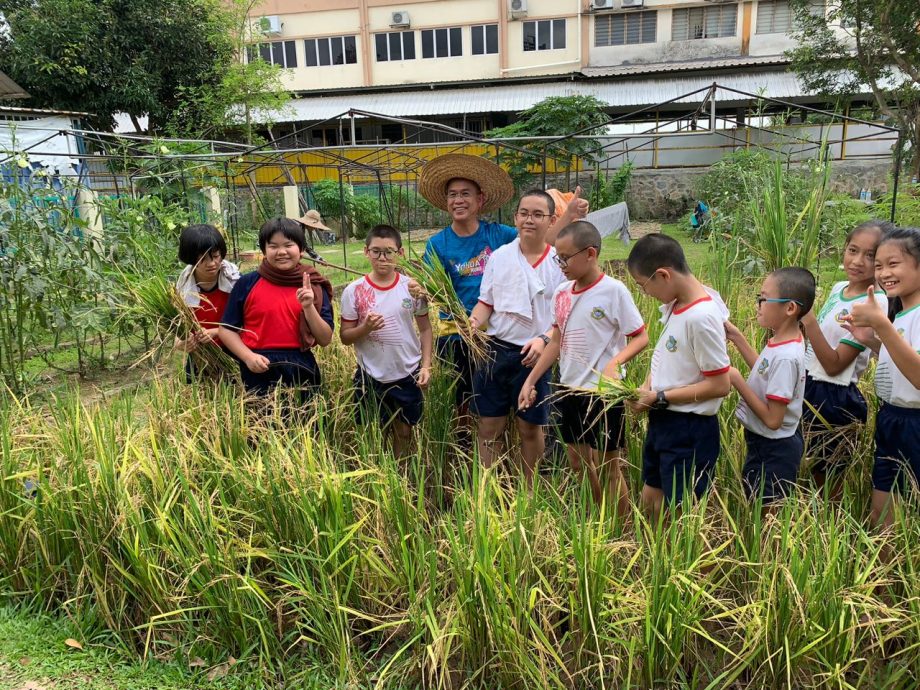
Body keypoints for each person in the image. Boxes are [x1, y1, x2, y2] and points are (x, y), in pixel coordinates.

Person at [417, 153, 588, 420]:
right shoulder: (438, 244)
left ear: (480, 199)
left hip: (497, 336)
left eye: (465, 194)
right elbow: (432, 289)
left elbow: (541, 239)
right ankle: (467, 449)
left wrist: (569, 215)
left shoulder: (499, 235)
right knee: (465, 401)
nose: (458, 200)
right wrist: (420, 291)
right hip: (459, 335)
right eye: (452, 195)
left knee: (508, 404)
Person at [519, 221, 648, 512]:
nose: (560, 264)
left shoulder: (614, 291)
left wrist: (615, 363)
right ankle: (597, 516)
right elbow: (556, 341)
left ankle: (620, 525)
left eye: (565, 257)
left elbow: (640, 337)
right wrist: (531, 379)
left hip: (603, 393)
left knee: (607, 466)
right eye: (557, 257)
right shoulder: (562, 292)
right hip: (569, 388)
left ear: (590, 253)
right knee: (577, 461)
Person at [626, 233, 731, 515]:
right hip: (664, 419)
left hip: (688, 428)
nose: (644, 293)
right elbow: (665, 356)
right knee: (651, 503)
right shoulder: (676, 305)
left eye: (643, 285)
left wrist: (659, 396)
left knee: (685, 517)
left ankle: (690, 561)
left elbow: (720, 384)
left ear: (663, 275)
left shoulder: (702, 317)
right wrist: (647, 387)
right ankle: (657, 558)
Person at [467, 190, 566, 484]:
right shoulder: (500, 257)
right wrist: (473, 323)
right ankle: (486, 491)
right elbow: (487, 302)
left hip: (538, 356)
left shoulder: (559, 264)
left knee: (530, 427)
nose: (529, 220)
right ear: (515, 217)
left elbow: (564, 317)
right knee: (488, 425)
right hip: (496, 351)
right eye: (524, 213)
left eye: (538, 215)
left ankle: (530, 491)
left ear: (551, 221)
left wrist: (545, 340)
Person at [800, 220, 890, 499]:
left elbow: (835, 363)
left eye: (871, 256)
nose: (858, 261)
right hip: (807, 385)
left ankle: (831, 534)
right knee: (808, 471)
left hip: (834, 397)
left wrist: (809, 320)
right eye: (853, 250)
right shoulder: (839, 287)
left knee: (828, 481)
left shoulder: (874, 302)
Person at [844, 227, 920, 529]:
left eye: (894, 264)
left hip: (914, 422)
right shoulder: (902, 313)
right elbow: (898, 361)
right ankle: (885, 571)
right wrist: (872, 340)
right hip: (892, 418)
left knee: (901, 516)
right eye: (879, 266)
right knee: (881, 515)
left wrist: (882, 328)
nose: (884, 273)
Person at [340, 225, 433, 457]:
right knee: (374, 431)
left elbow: (425, 329)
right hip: (370, 374)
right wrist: (366, 328)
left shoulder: (412, 288)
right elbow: (344, 337)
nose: (383, 258)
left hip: (407, 371)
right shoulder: (354, 291)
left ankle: (401, 475)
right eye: (376, 251)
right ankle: (379, 475)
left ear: (400, 254)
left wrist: (426, 366)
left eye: (389, 252)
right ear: (366, 252)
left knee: (404, 431)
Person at [218, 218, 334, 403]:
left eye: (288, 245)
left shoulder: (313, 285)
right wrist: (248, 357)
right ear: (264, 251)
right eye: (273, 246)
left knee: (306, 427)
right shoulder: (247, 284)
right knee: (261, 428)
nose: (281, 252)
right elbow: (226, 329)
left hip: (301, 366)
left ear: (301, 249)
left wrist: (308, 307)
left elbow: (325, 339)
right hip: (258, 366)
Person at [725, 268, 816, 505]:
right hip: (767, 442)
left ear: (789, 308)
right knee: (757, 504)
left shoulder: (786, 356)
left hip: (775, 448)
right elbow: (765, 372)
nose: (758, 304)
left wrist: (736, 380)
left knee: (768, 515)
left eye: (764, 299)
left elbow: (773, 420)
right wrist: (738, 338)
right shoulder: (781, 340)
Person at [174, 224, 240, 380]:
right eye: (203, 259)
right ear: (190, 258)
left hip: (235, 350)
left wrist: (217, 332)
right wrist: (181, 344)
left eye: (215, 256)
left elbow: (249, 323)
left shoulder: (236, 282)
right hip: (201, 356)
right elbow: (177, 328)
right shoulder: (182, 288)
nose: (211, 263)